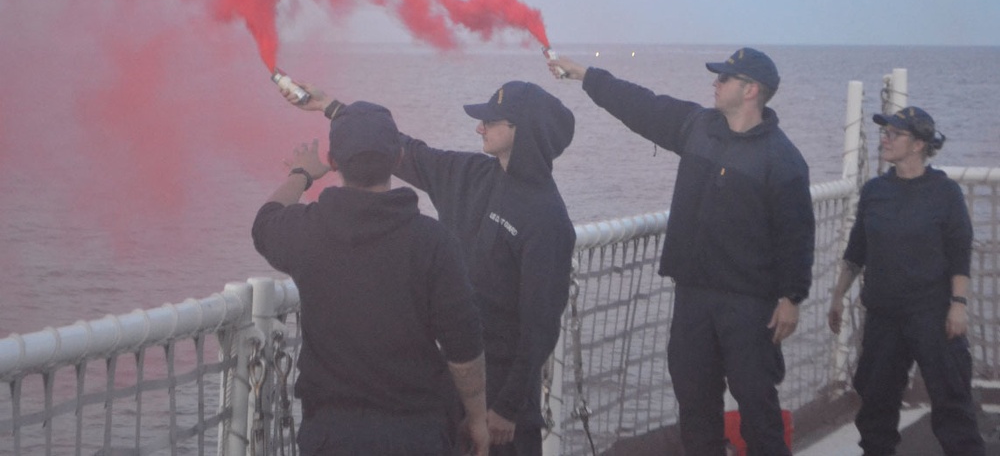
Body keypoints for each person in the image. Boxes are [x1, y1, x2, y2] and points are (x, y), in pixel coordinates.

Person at [283, 81, 577, 456]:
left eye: (489, 120)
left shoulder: (548, 220)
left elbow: (541, 326)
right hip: (452, 383)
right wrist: (335, 109)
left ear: (523, 129)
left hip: (505, 400)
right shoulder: (470, 174)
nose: (479, 127)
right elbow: (407, 153)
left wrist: (508, 406)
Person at [547, 47, 814, 456]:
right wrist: (584, 75)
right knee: (694, 406)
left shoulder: (782, 160)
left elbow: (797, 235)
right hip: (693, 298)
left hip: (749, 307)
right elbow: (642, 106)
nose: (715, 82)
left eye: (724, 78)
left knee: (758, 410)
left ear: (750, 90)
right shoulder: (697, 126)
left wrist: (792, 298)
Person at [252, 101, 490, 456]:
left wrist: (301, 173)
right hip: (417, 434)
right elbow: (463, 349)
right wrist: (477, 419)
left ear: (333, 162)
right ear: (397, 160)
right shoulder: (433, 240)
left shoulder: (308, 232)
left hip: (332, 436)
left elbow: (265, 222)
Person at [828, 106, 985, 455]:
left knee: (952, 402)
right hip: (884, 315)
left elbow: (960, 253)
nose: (885, 139)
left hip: (932, 314)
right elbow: (857, 250)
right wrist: (838, 296)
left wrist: (958, 305)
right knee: (876, 405)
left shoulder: (944, 193)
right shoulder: (874, 191)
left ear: (917, 145)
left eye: (893, 134)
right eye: (884, 132)